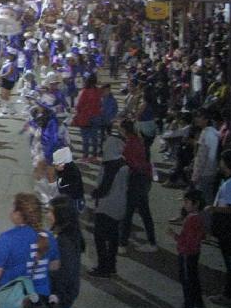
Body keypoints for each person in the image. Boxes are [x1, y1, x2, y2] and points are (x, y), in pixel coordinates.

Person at [207, 149, 231, 304]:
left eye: (222, 160)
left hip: (229, 224)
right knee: (230, 257)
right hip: (228, 223)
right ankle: (230, 290)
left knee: (230, 258)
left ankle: (229, 294)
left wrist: (213, 208)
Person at [89, 135, 130, 277]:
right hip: (119, 206)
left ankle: (103, 267)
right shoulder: (122, 162)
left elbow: (104, 189)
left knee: (100, 237)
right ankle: (111, 265)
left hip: (107, 207)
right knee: (113, 238)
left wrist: (94, 194)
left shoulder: (110, 166)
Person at [119, 119, 157, 253]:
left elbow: (126, 162)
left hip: (135, 179)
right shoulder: (139, 140)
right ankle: (152, 242)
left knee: (128, 213)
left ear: (124, 130)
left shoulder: (129, 144)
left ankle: (123, 244)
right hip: (144, 178)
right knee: (144, 212)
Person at [168, 189, 207, 308]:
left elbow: (187, 241)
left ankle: (189, 307)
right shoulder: (199, 217)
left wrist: (174, 235)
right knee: (193, 279)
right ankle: (198, 304)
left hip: (186, 253)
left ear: (195, 204)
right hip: (194, 253)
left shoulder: (191, 219)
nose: (184, 204)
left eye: (187, 202)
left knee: (186, 280)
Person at [49, 195, 83, 308]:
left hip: (60, 297)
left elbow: (66, 272)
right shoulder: (70, 234)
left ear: (60, 215)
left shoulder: (64, 242)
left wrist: (58, 296)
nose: (48, 215)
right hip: (64, 295)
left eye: (51, 212)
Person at [192, 108, 221, 208]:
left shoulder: (209, 134)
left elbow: (207, 157)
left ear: (206, 119)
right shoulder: (209, 132)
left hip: (205, 172)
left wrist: (197, 175)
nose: (196, 119)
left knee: (205, 200)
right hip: (206, 171)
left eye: (199, 117)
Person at [73, 73, 104, 162]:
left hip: (85, 117)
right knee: (94, 137)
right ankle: (94, 156)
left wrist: (78, 112)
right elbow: (100, 104)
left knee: (85, 138)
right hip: (96, 117)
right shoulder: (98, 91)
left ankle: (85, 156)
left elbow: (79, 105)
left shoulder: (85, 92)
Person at [52, 147, 86, 213]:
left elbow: (69, 187)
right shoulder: (64, 169)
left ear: (62, 164)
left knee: (73, 214)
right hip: (69, 199)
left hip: (75, 200)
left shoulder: (71, 173)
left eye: (56, 165)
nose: (55, 167)